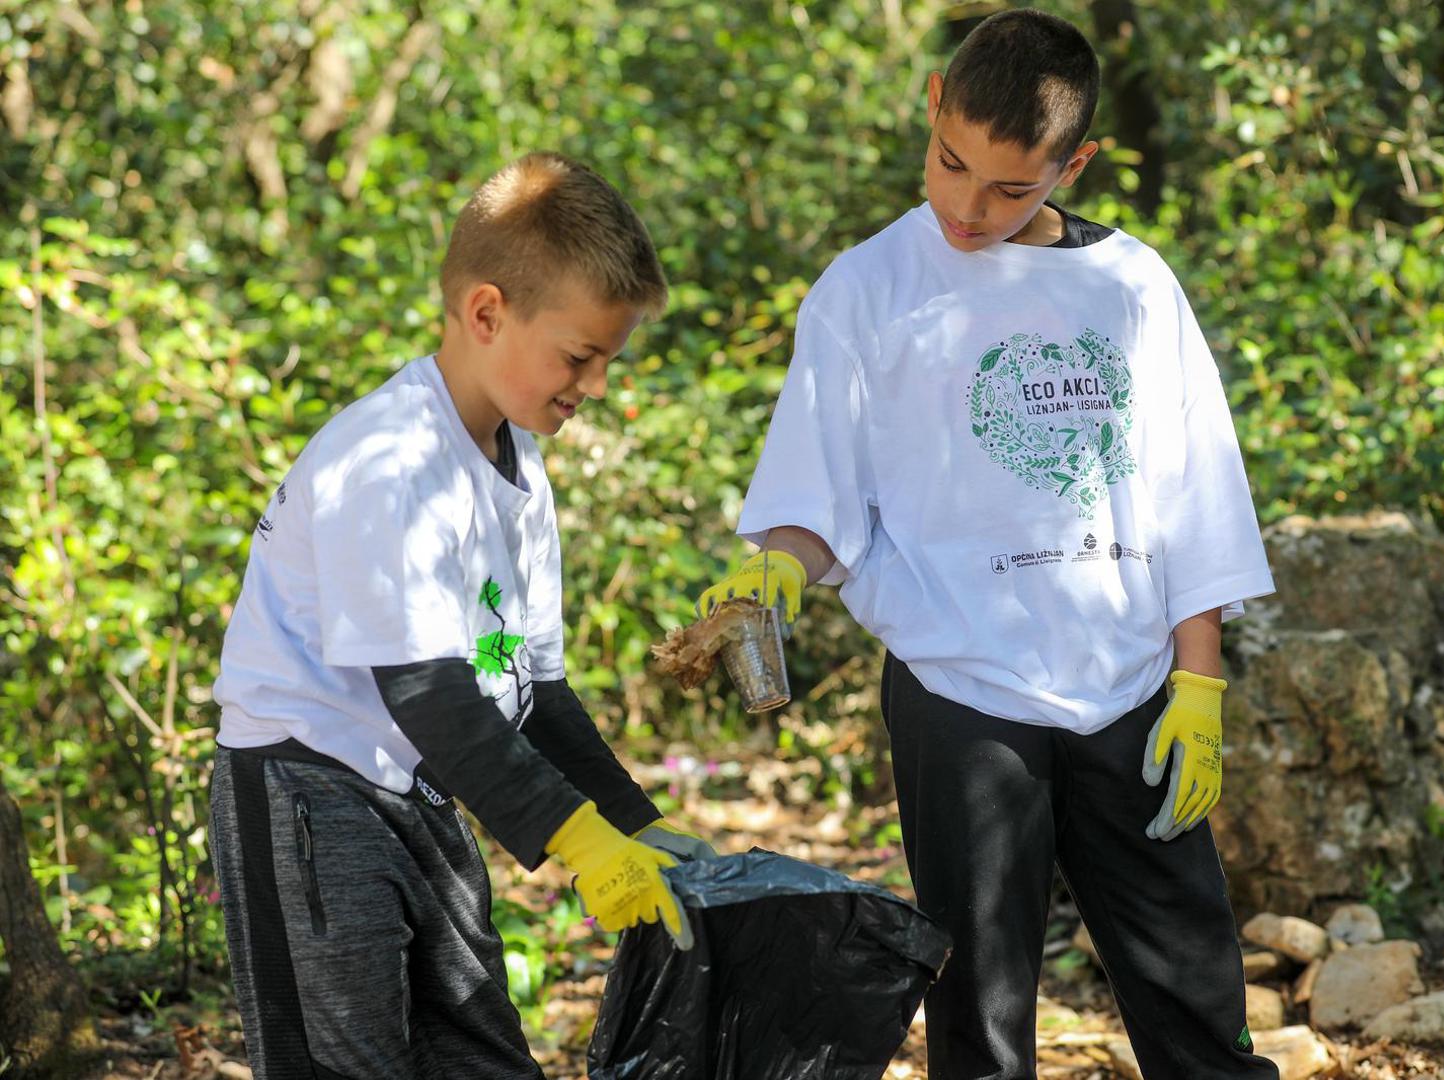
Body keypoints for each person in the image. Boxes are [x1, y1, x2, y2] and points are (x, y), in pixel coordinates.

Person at [698, 11, 1279, 1079]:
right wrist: (777, 562)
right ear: (931, 106)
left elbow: (1193, 494)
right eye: (950, 164)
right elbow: (812, 485)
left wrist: (1201, 688)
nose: (968, 208)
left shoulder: (1135, 288)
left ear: (1075, 163)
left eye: (1010, 188)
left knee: (1195, 994)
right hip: (962, 693)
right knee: (982, 1013)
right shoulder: (867, 290)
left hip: (1135, 689)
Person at [209, 150, 710, 1079]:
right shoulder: (388, 461)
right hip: (311, 793)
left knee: (483, 1056)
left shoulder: (522, 463)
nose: (595, 385)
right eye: (579, 356)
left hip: (423, 790)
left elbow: (533, 691)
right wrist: (576, 838)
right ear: (487, 314)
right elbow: (429, 695)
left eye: (607, 360)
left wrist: (632, 823)